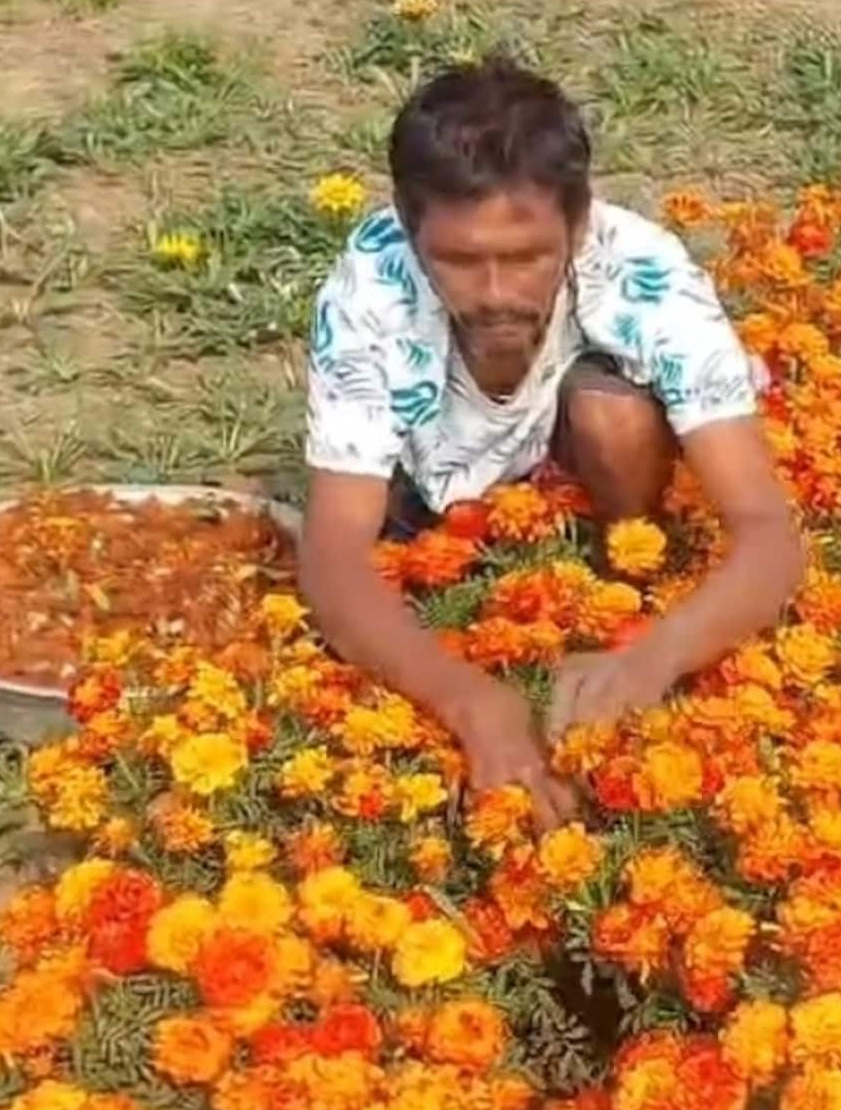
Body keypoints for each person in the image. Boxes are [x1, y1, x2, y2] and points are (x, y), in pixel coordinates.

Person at [297, 54, 805, 827]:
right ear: (409, 229)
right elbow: (333, 554)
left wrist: (652, 656)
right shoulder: (373, 289)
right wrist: (470, 702)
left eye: (528, 257)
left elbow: (769, 534)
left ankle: (620, 563)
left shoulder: (642, 272)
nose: (497, 293)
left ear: (577, 222)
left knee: (616, 414)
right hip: (431, 491)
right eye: (461, 261)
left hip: (576, 451)